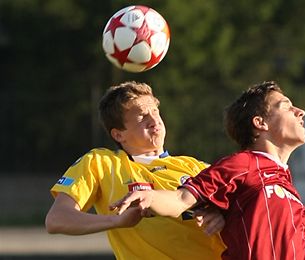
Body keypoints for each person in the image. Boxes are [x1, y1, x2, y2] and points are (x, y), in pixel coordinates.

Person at [111, 81, 305, 259]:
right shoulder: (241, 165)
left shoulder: (291, 193)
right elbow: (181, 199)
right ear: (260, 123)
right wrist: (150, 197)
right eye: (286, 106)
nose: (300, 111)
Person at [45, 81, 226, 260]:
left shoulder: (196, 166)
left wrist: (222, 216)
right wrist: (116, 222)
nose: (154, 120)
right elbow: (57, 219)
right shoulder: (102, 163)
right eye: (142, 116)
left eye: (155, 112)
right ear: (118, 134)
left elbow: (242, 210)